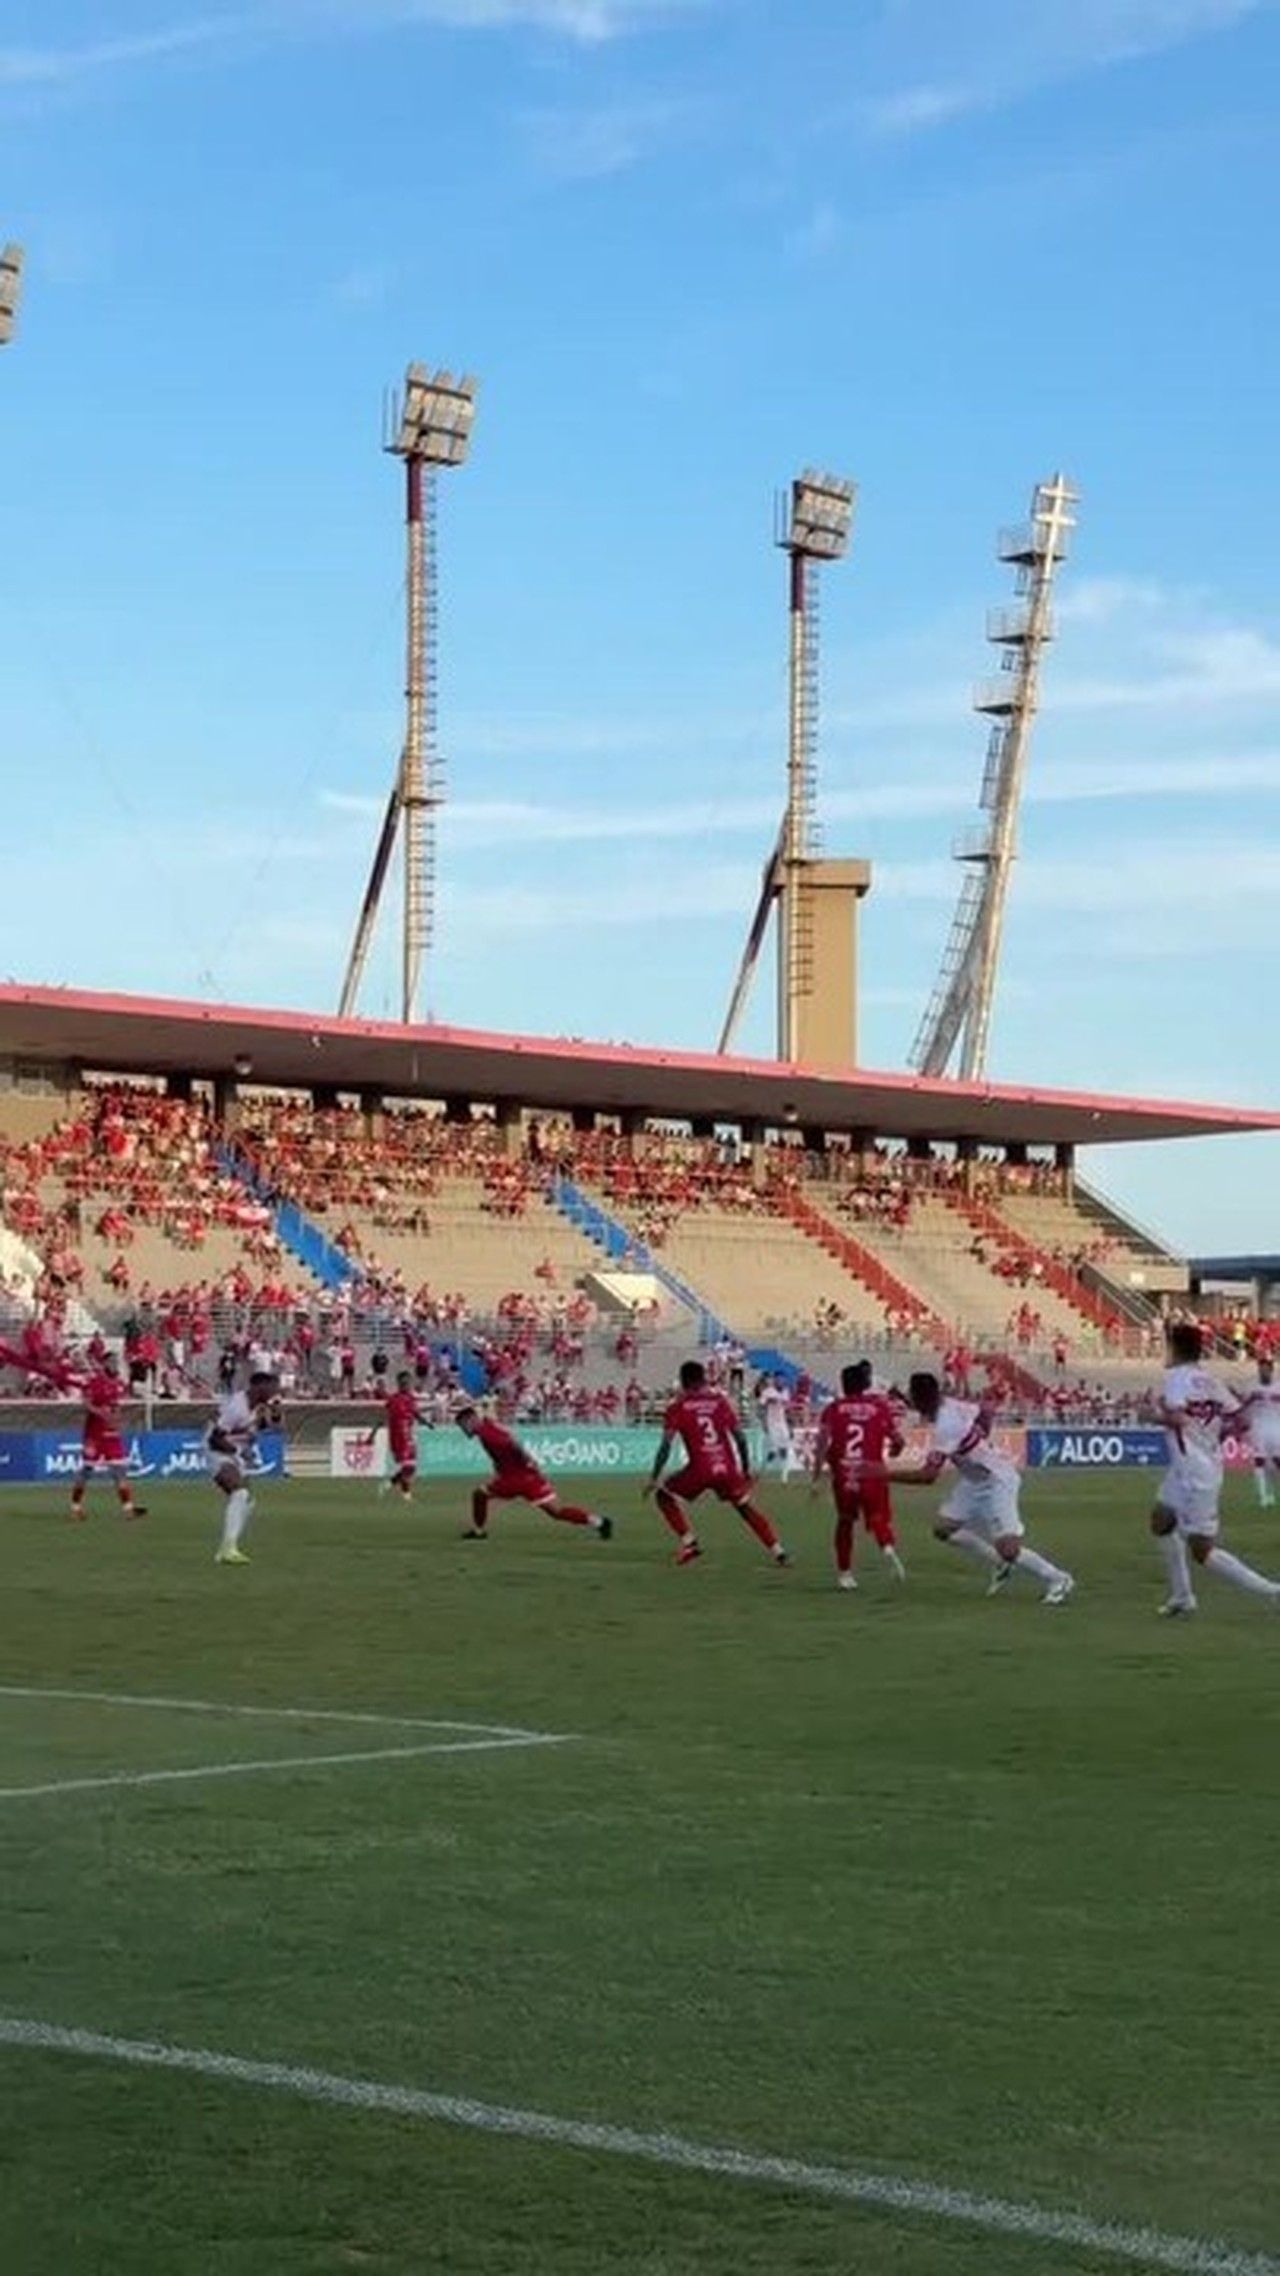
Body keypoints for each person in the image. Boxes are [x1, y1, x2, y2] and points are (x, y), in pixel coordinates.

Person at [892, 1370, 1074, 1605]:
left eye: (913, 1397)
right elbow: (984, 1411)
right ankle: (999, 1563)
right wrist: (981, 1435)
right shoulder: (950, 1404)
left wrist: (881, 1474)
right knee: (943, 1529)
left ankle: (1058, 1578)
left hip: (996, 1479)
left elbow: (928, 1476)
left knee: (1009, 1549)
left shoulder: (947, 1425)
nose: (911, 1402)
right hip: (974, 1479)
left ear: (922, 1399)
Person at [1152, 1324, 1279, 1616]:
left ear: (1175, 1348)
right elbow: (1242, 1420)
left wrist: (1153, 1415)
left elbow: (1178, 1419)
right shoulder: (1211, 1381)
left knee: (1202, 1549)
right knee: (1161, 1521)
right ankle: (1182, 1596)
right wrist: (1213, 1437)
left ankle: (1272, 1591)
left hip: (1194, 1472)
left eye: (1167, 1346)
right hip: (1193, 1467)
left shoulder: (1175, 1379)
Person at [643, 1358, 789, 1568]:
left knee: (663, 1496)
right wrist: (745, 1469)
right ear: (703, 1379)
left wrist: (653, 1477)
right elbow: (740, 1437)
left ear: (683, 1382)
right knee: (744, 1507)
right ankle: (778, 1551)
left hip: (700, 1469)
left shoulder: (678, 1407)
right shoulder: (719, 1402)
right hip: (727, 1468)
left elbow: (666, 1444)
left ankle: (689, 1543)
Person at [811, 1360, 906, 1590]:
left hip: (844, 1473)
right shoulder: (879, 1407)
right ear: (865, 1383)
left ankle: (845, 1574)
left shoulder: (833, 1409)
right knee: (877, 1516)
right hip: (872, 1473)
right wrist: (896, 1449)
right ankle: (887, 1547)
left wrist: (816, 1476)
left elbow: (822, 1443)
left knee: (845, 1520)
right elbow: (898, 1440)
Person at [455, 1404, 612, 1542]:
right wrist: (529, 1462)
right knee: (556, 1511)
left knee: (479, 1494)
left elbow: (510, 1443)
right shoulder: (487, 1426)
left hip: (513, 1479)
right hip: (529, 1476)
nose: (463, 1430)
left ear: (472, 1420)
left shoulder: (486, 1434)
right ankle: (599, 1522)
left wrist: (525, 1458)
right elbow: (509, 1439)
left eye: (463, 1425)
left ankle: (479, 1531)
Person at [205, 1369, 279, 1567]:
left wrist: (269, 1419)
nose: (274, 1392)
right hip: (217, 1450)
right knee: (239, 1493)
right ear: (258, 1387)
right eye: (271, 1388)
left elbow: (258, 1427)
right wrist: (237, 1451)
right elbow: (214, 1439)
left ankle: (227, 1548)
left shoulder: (258, 1406)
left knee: (247, 1501)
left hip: (232, 1451)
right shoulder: (236, 1407)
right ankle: (228, 1549)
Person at [71, 1350, 146, 1524]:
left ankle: (128, 1508)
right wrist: (100, 1412)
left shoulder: (118, 1384)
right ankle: (75, 1507)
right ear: (104, 1363)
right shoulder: (95, 1382)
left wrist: (117, 1420)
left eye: (116, 1362)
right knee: (87, 1471)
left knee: (119, 1471)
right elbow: (85, 1402)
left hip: (111, 1434)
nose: (115, 1365)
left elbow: (116, 1406)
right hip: (94, 1435)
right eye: (112, 1362)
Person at [379, 1369, 430, 1502]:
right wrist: (374, 1432)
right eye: (404, 1383)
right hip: (398, 1437)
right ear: (399, 1384)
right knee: (408, 1466)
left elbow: (416, 1413)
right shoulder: (393, 1399)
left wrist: (426, 1422)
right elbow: (384, 1416)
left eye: (408, 1383)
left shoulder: (411, 1398)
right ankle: (405, 1494)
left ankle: (389, 1484)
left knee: (410, 1467)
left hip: (409, 1435)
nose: (407, 1385)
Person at [1238, 1352, 1280, 1511]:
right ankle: (1263, 1497)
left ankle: (1271, 1492)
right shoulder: (1252, 1388)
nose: (1263, 1372)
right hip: (1258, 1428)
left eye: (1266, 1369)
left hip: (1276, 1428)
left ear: (1271, 1370)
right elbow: (1242, 1406)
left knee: (1276, 1462)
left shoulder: (1278, 1387)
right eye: (1261, 1369)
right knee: (1259, 1461)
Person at [755, 1371, 801, 1484]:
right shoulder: (768, 1392)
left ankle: (784, 1476)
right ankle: (762, 1471)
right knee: (774, 1451)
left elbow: (787, 1410)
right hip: (772, 1423)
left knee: (785, 1449)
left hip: (782, 1423)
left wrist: (791, 1425)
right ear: (775, 1380)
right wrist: (763, 1422)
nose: (781, 1381)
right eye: (779, 1379)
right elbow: (760, 1407)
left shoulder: (786, 1392)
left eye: (783, 1379)